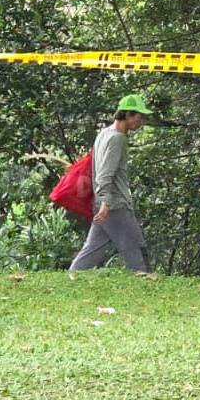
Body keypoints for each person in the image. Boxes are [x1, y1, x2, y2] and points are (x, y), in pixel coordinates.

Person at [69, 94, 153, 273]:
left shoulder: (104, 133)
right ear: (128, 115)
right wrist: (107, 203)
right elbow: (105, 175)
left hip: (103, 202)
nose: (141, 121)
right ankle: (147, 283)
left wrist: (102, 202)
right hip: (114, 204)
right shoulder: (117, 139)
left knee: (92, 249)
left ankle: (72, 275)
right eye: (139, 116)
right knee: (137, 251)